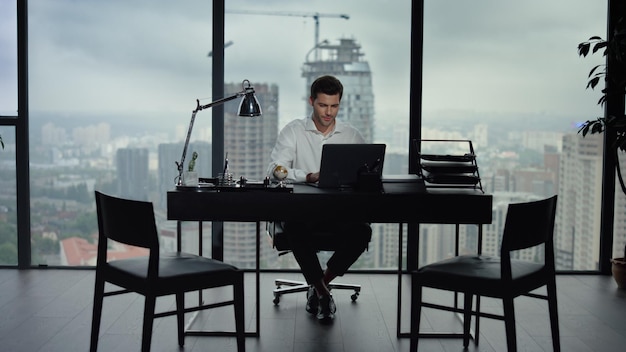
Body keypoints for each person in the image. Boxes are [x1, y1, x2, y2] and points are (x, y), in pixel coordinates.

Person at [266, 75, 372, 322]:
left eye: (334, 106)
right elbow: (274, 170)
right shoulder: (294, 131)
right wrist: (308, 176)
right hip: (303, 213)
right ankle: (324, 293)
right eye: (323, 105)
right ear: (311, 101)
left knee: (362, 232)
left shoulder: (351, 135)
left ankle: (320, 286)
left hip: (339, 212)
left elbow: (367, 172)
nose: (328, 112)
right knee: (294, 227)